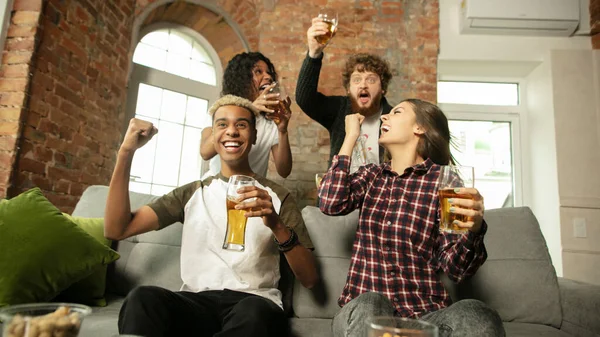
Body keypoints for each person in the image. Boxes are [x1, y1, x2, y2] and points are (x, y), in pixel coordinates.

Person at [105, 95, 318, 337]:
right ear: (213, 136)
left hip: (253, 302)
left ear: (255, 136)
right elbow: (116, 229)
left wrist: (276, 225)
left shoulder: (277, 196)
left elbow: (310, 278)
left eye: (241, 125)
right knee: (143, 298)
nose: (231, 132)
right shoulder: (192, 192)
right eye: (222, 124)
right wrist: (126, 152)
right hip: (196, 303)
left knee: (255, 312)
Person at [318, 99, 505, 337]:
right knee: (371, 303)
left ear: (420, 128)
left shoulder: (445, 182)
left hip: (423, 316)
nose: (384, 117)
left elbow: (457, 270)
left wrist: (474, 229)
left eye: (396, 112)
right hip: (366, 315)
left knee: (477, 313)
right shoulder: (371, 175)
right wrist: (350, 136)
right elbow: (330, 202)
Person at [296, 16, 394, 169]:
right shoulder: (339, 110)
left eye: (371, 80)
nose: (363, 85)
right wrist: (314, 54)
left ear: (383, 88)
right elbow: (305, 99)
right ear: (348, 89)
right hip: (340, 190)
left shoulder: (394, 118)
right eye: (356, 80)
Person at [201, 52, 293, 178]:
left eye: (269, 73)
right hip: (216, 187)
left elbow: (284, 171)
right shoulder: (220, 110)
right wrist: (250, 110)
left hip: (250, 191)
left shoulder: (271, 121)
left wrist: (283, 131)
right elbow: (205, 153)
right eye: (258, 72)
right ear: (242, 79)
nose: (268, 77)